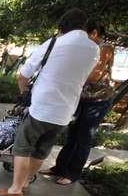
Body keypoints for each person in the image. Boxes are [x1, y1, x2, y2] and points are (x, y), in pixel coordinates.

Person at [0, 9, 99, 196]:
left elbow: (23, 74)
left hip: (42, 106)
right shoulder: (94, 49)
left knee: (22, 146)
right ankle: (24, 183)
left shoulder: (54, 43)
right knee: (42, 149)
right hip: (66, 110)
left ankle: (15, 189)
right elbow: (86, 77)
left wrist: (23, 93)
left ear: (62, 27)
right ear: (84, 27)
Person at [42, 20, 115, 185]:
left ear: (94, 33)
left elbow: (94, 75)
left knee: (84, 137)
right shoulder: (88, 48)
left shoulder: (105, 48)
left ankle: (73, 173)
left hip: (98, 100)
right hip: (82, 97)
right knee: (72, 135)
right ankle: (59, 168)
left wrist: (71, 77)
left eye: (84, 34)